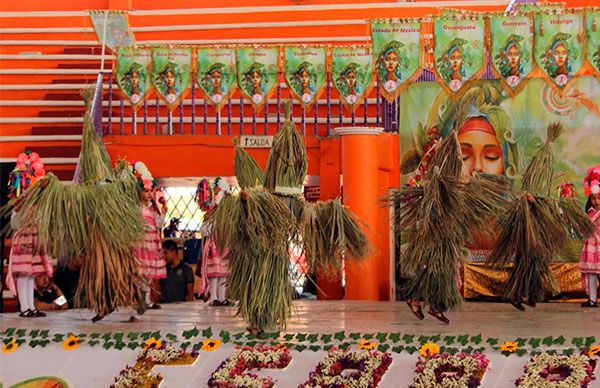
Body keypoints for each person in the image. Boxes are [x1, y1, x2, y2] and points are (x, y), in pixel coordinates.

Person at [6, 152, 52, 318]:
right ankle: (24, 307)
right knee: (24, 275)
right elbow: (15, 224)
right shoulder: (19, 209)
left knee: (31, 275)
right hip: (23, 244)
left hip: (33, 242)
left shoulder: (35, 208)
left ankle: (30, 306)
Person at [133, 161, 167, 314]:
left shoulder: (153, 209)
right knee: (141, 273)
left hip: (151, 243)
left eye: (150, 191)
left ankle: (147, 300)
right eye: (146, 191)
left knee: (148, 274)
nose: (149, 194)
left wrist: (164, 212)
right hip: (140, 243)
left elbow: (159, 224)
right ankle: (141, 300)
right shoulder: (135, 209)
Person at [198, 177, 231, 307]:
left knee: (223, 272)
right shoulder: (210, 213)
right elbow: (205, 230)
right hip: (214, 245)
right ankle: (213, 297)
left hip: (225, 243)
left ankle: (222, 297)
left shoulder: (227, 214)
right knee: (214, 272)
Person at [580, 165, 600, 308]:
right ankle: (592, 299)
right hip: (591, 247)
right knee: (592, 274)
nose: (596, 201)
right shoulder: (589, 213)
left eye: (599, 198)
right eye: (593, 199)